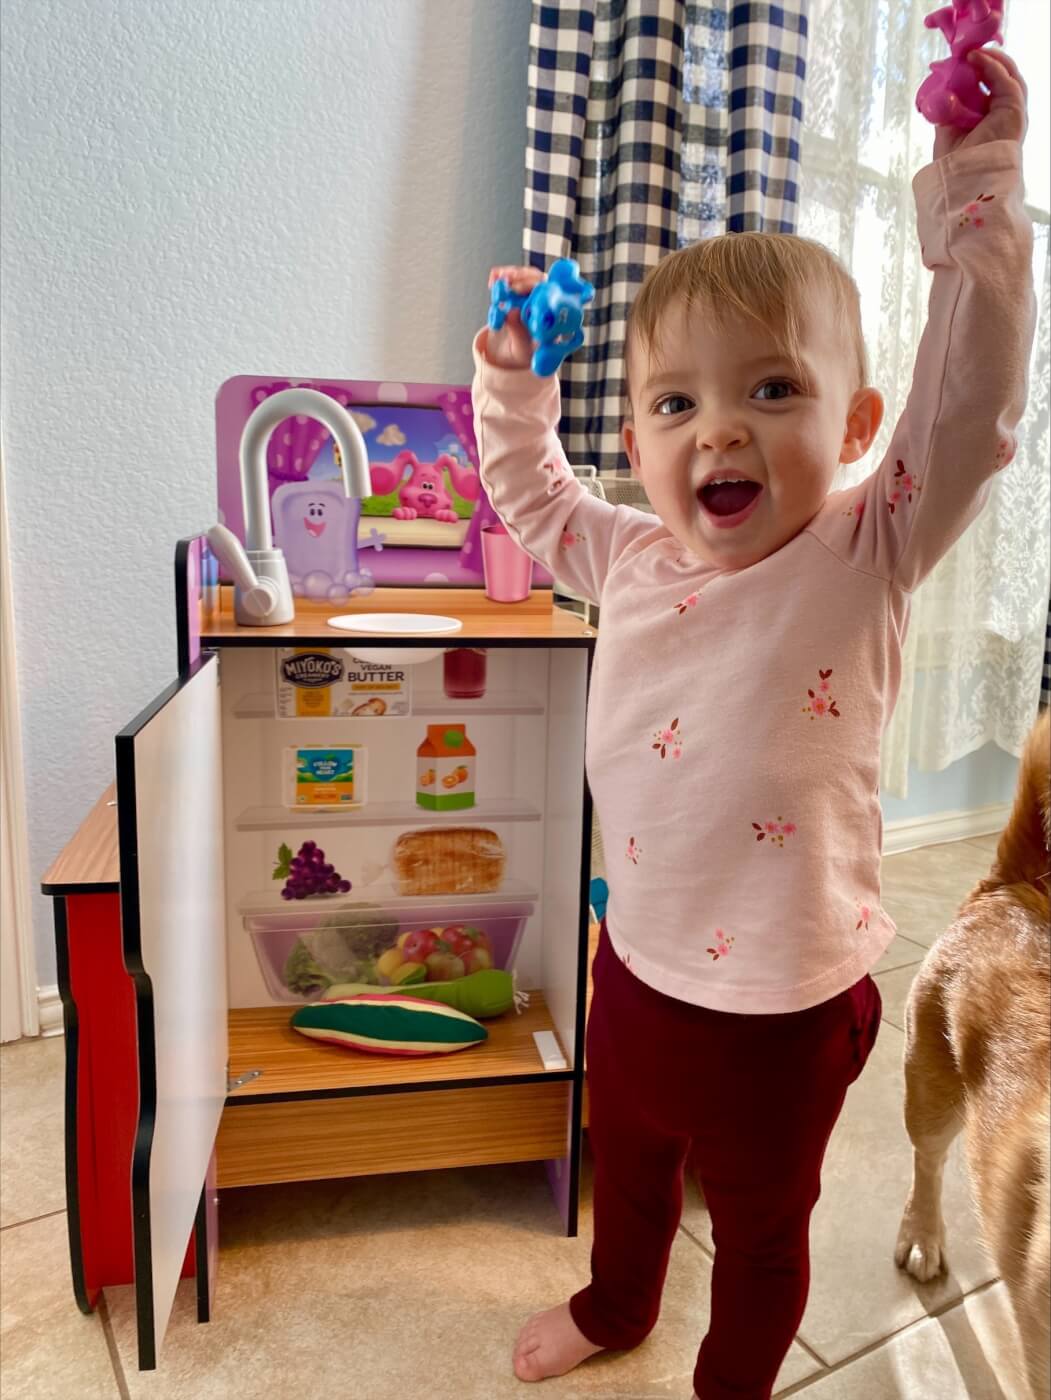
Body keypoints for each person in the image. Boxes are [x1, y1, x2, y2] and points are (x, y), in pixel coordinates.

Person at [471, 46, 1034, 1400]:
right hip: (637, 961)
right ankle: (618, 1304)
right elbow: (532, 497)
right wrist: (513, 383)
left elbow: (972, 411)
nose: (718, 432)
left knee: (764, 1236)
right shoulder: (623, 553)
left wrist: (977, 195)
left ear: (852, 425)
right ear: (640, 433)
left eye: (769, 390)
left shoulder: (869, 546)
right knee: (636, 1168)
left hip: (785, 1007)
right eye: (677, 404)